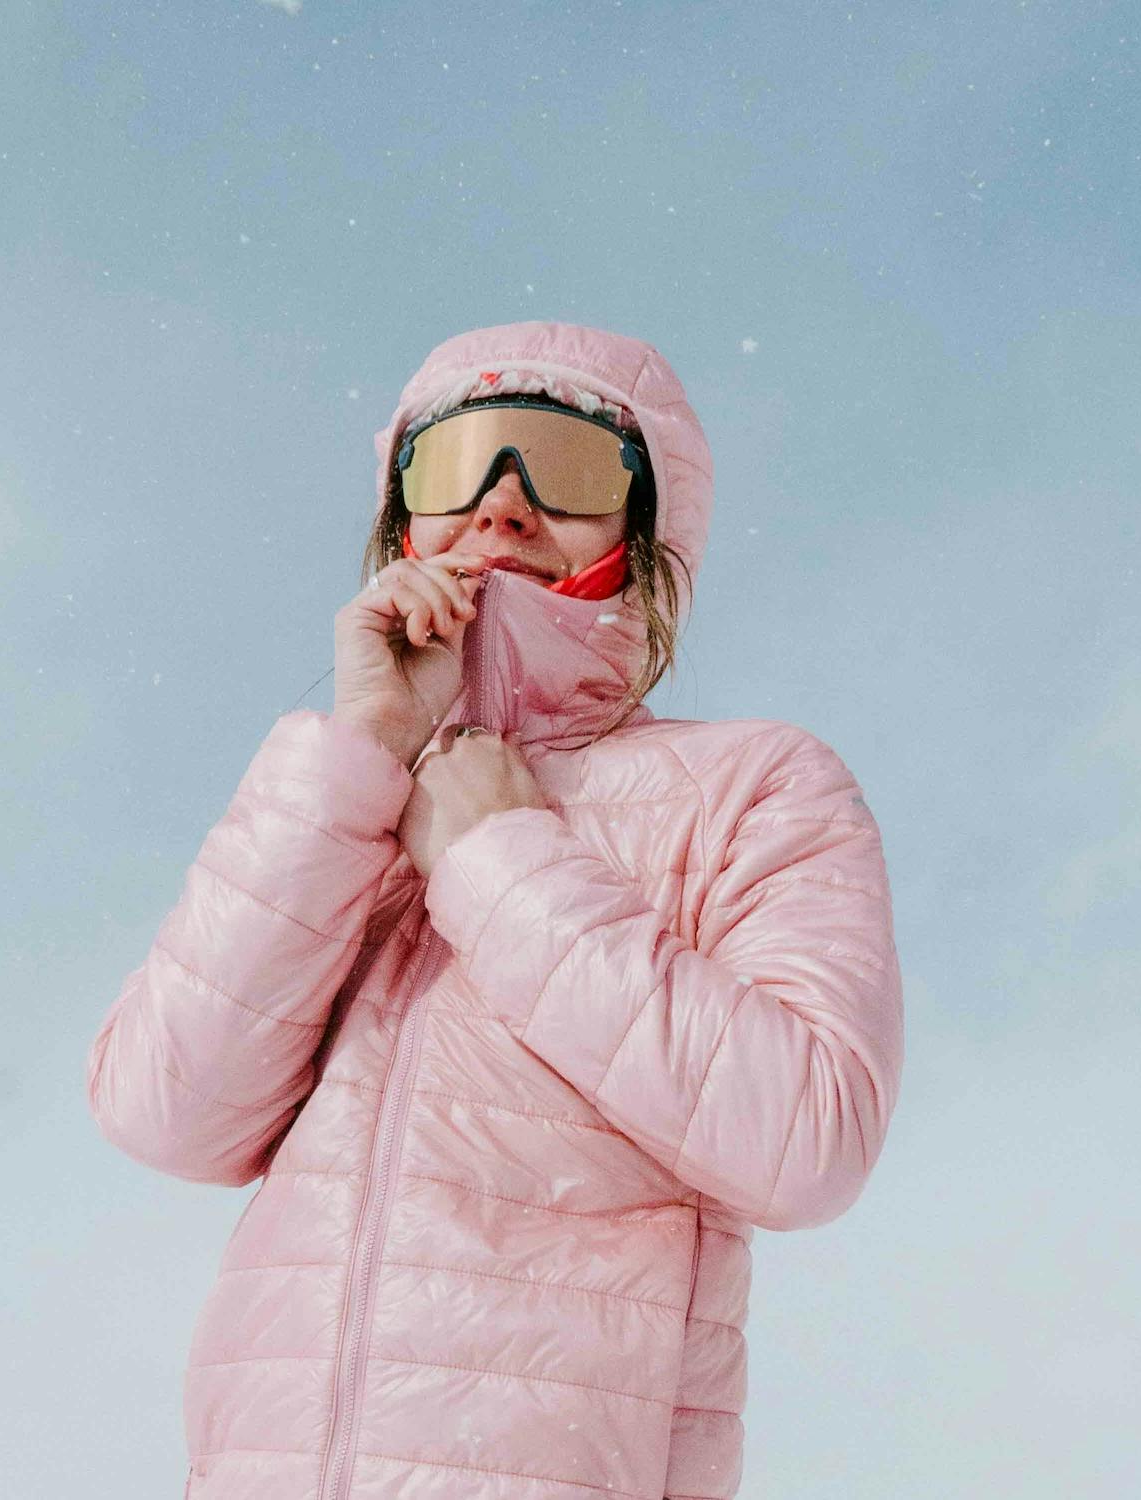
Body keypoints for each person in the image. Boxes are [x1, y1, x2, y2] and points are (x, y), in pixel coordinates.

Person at [86, 321, 905, 1500]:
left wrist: (500, 859)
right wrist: (363, 748)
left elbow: (806, 1143)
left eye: (564, 469)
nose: (501, 508)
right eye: (455, 460)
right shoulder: (345, 802)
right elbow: (164, 1112)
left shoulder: (754, 785)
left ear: (645, 535)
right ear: (399, 521)